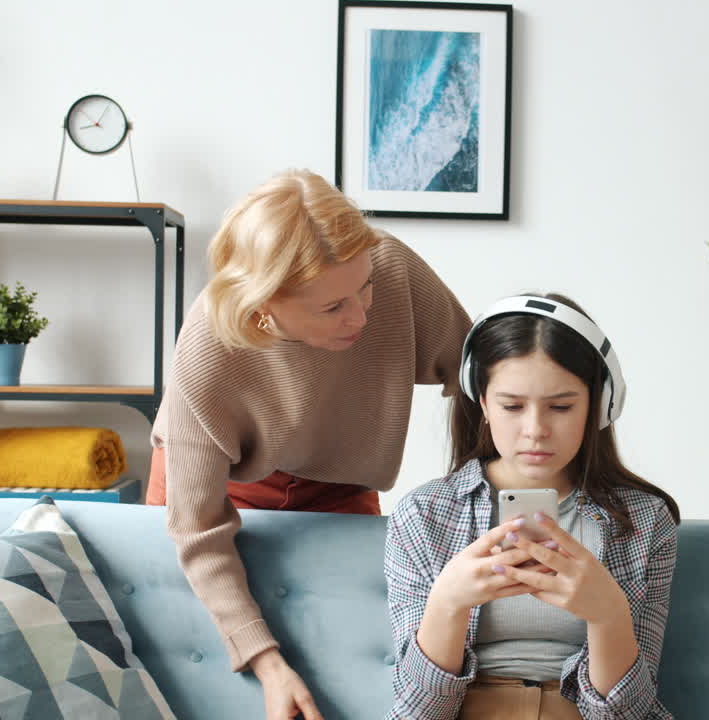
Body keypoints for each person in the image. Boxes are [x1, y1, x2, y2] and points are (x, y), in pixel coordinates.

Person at [148, 169, 473, 720]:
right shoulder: (208, 352)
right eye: (333, 307)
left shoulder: (385, 264)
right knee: (202, 654)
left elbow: (479, 377)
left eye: (364, 289)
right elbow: (198, 532)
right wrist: (268, 663)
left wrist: (476, 491)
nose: (362, 315)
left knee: (351, 653)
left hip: (340, 479)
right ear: (264, 304)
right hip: (226, 480)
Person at [384, 293, 681, 719]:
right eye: (512, 406)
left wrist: (609, 615)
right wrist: (447, 603)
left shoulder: (645, 520)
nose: (536, 430)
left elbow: (630, 714)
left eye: (561, 407)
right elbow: (417, 712)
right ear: (483, 404)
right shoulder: (424, 514)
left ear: (597, 407)